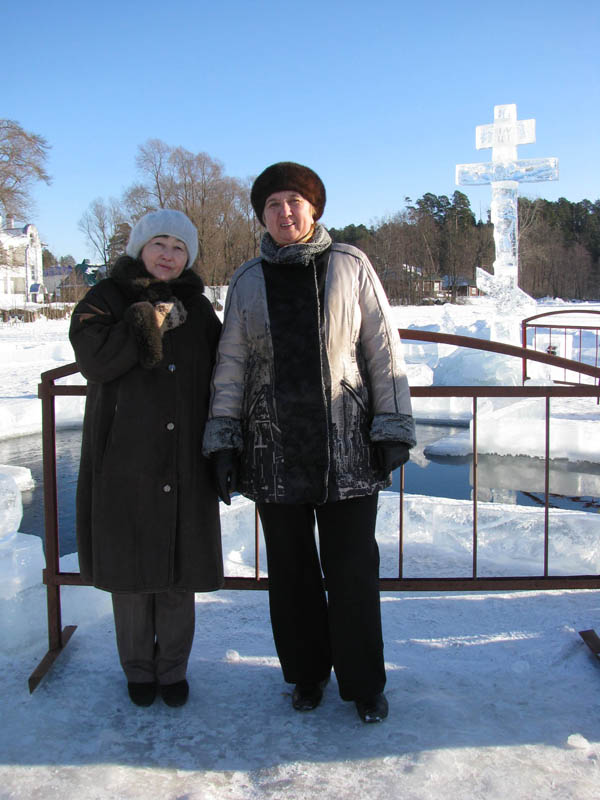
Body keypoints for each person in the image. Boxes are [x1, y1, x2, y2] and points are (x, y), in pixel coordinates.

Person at [202, 162, 416, 723]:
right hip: (273, 451)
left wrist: (392, 425)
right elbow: (231, 365)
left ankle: (364, 683)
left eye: (294, 201)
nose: (284, 212)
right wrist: (223, 440)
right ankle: (306, 675)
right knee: (292, 575)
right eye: (272, 204)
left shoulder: (350, 264)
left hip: (347, 448)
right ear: (262, 215)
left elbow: (382, 349)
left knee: (352, 572)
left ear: (314, 208)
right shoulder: (248, 280)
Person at [70, 209, 223, 708]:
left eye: (179, 248)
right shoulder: (105, 299)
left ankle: (173, 669)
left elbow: (222, 368)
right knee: (131, 575)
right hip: (125, 456)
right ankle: (137, 669)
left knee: (180, 573)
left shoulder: (198, 308)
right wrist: (145, 322)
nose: (168, 255)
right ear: (140, 248)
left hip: (184, 458)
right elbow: (94, 361)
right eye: (159, 243)